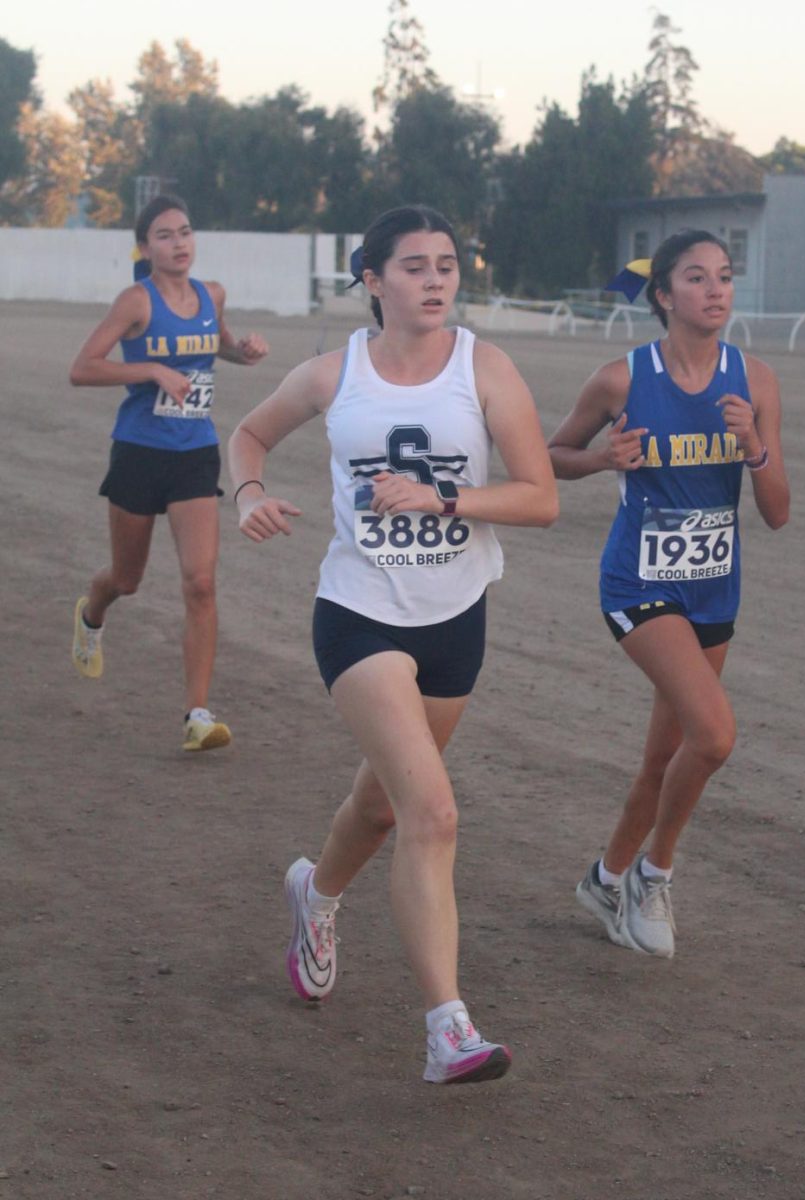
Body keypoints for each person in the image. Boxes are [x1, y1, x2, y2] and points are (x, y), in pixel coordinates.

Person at [227, 204, 557, 1084]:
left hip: (455, 619)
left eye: (446, 264)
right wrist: (248, 491)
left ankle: (316, 892)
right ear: (373, 281)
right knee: (433, 814)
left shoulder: (485, 368)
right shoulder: (333, 375)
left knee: (380, 809)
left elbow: (540, 496)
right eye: (414, 266)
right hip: (359, 613)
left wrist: (445, 500)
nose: (437, 280)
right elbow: (247, 433)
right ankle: (448, 1028)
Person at [548, 231, 789, 958]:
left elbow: (777, 511)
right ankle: (656, 873)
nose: (716, 290)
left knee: (664, 761)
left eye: (724, 276)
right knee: (713, 735)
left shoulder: (756, 381)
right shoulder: (622, 378)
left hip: (714, 591)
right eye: (696, 278)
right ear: (662, 295)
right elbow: (552, 455)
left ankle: (607, 874)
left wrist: (756, 448)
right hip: (639, 584)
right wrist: (600, 459)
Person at [69, 194, 269, 750]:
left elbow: (218, 347)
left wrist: (243, 351)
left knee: (200, 583)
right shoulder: (135, 301)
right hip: (138, 451)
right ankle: (92, 610)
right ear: (145, 247)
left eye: (185, 232)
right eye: (164, 235)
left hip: (194, 452)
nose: (178, 243)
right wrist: (152, 368)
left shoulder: (213, 295)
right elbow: (82, 369)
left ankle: (197, 715)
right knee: (126, 580)